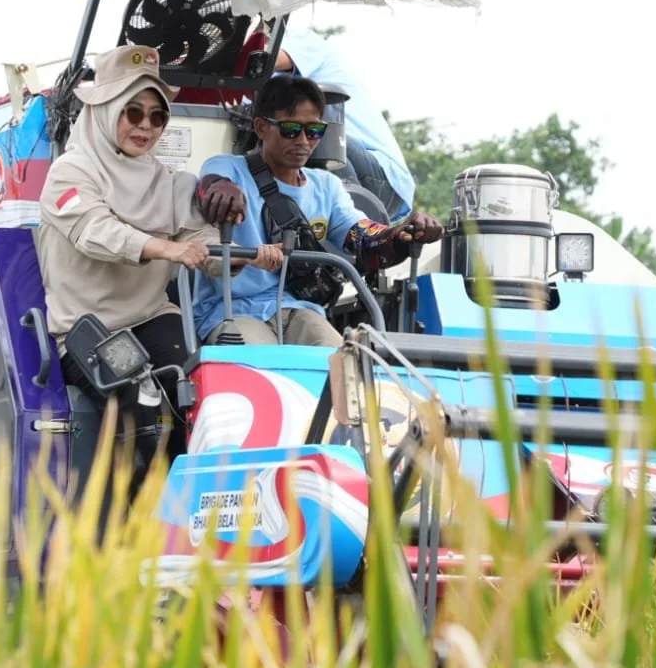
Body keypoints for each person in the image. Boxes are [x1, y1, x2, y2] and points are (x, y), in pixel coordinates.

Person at [38, 45, 253, 497]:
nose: (146, 126)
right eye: (132, 112)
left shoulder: (169, 181)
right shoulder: (69, 172)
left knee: (200, 391)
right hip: (86, 329)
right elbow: (97, 233)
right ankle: (138, 532)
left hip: (151, 316)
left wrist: (244, 252)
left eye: (158, 117)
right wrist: (169, 250)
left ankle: (203, 519)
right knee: (146, 409)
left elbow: (207, 247)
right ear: (104, 111)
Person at [193, 76, 444, 346]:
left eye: (314, 131)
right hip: (230, 310)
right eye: (291, 129)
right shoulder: (227, 168)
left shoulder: (327, 186)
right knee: (260, 363)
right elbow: (211, 187)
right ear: (261, 127)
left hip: (299, 310)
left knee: (340, 362)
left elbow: (364, 239)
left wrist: (402, 234)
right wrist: (221, 190)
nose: (303, 141)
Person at [273, 26, 418, 222]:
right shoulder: (259, 88)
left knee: (312, 135)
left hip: (381, 179)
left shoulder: (300, 39)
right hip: (331, 167)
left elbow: (264, 58)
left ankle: (351, 227)